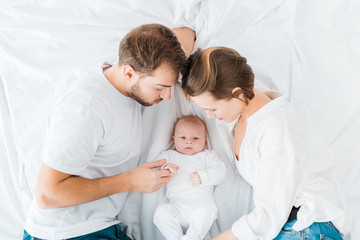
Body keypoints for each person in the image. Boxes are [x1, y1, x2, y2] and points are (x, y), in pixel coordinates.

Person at [23, 24, 195, 240]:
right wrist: (130, 181)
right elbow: (48, 194)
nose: (167, 96)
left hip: (100, 227)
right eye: (160, 87)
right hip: (64, 233)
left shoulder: (128, 73)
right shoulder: (85, 110)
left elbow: (185, 35)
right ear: (129, 73)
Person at [181, 47, 346, 240]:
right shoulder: (242, 114)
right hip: (286, 227)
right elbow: (213, 69)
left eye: (213, 108)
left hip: (306, 225)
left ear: (238, 94)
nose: (209, 116)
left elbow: (268, 215)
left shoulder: (278, 129)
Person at [153, 115, 226, 240]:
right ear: (173, 139)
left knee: (209, 209)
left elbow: (221, 172)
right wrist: (167, 168)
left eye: (195, 138)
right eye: (183, 137)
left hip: (200, 204)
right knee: (160, 212)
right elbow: (156, 170)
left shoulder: (207, 156)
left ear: (205, 140)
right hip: (176, 205)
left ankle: (193, 237)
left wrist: (203, 176)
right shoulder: (168, 156)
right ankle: (174, 237)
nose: (189, 141)